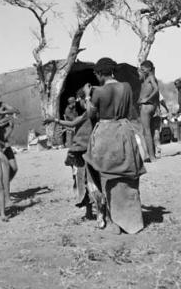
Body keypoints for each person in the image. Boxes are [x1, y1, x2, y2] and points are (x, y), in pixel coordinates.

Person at [84, 57, 146, 233]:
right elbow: (128, 110)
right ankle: (132, 218)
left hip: (106, 133)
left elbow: (90, 114)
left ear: (99, 73)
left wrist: (88, 95)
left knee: (107, 175)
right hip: (125, 130)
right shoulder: (126, 87)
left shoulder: (98, 91)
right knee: (128, 174)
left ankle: (113, 221)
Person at [43, 88, 99, 220]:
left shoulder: (88, 113)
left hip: (82, 152)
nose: (77, 103)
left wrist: (55, 121)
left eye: (78, 100)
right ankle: (91, 212)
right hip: (90, 151)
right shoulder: (92, 113)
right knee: (90, 180)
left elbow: (73, 123)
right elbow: (74, 124)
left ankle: (92, 211)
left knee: (83, 180)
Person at [137, 60, 160, 161]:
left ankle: (151, 156)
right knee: (149, 131)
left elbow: (156, 89)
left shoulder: (150, 77)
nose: (141, 71)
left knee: (146, 132)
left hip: (146, 106)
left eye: (143, 69)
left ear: (149, 69)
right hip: (149, 106)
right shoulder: (147, 78)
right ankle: (151, 155)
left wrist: (147, 99)